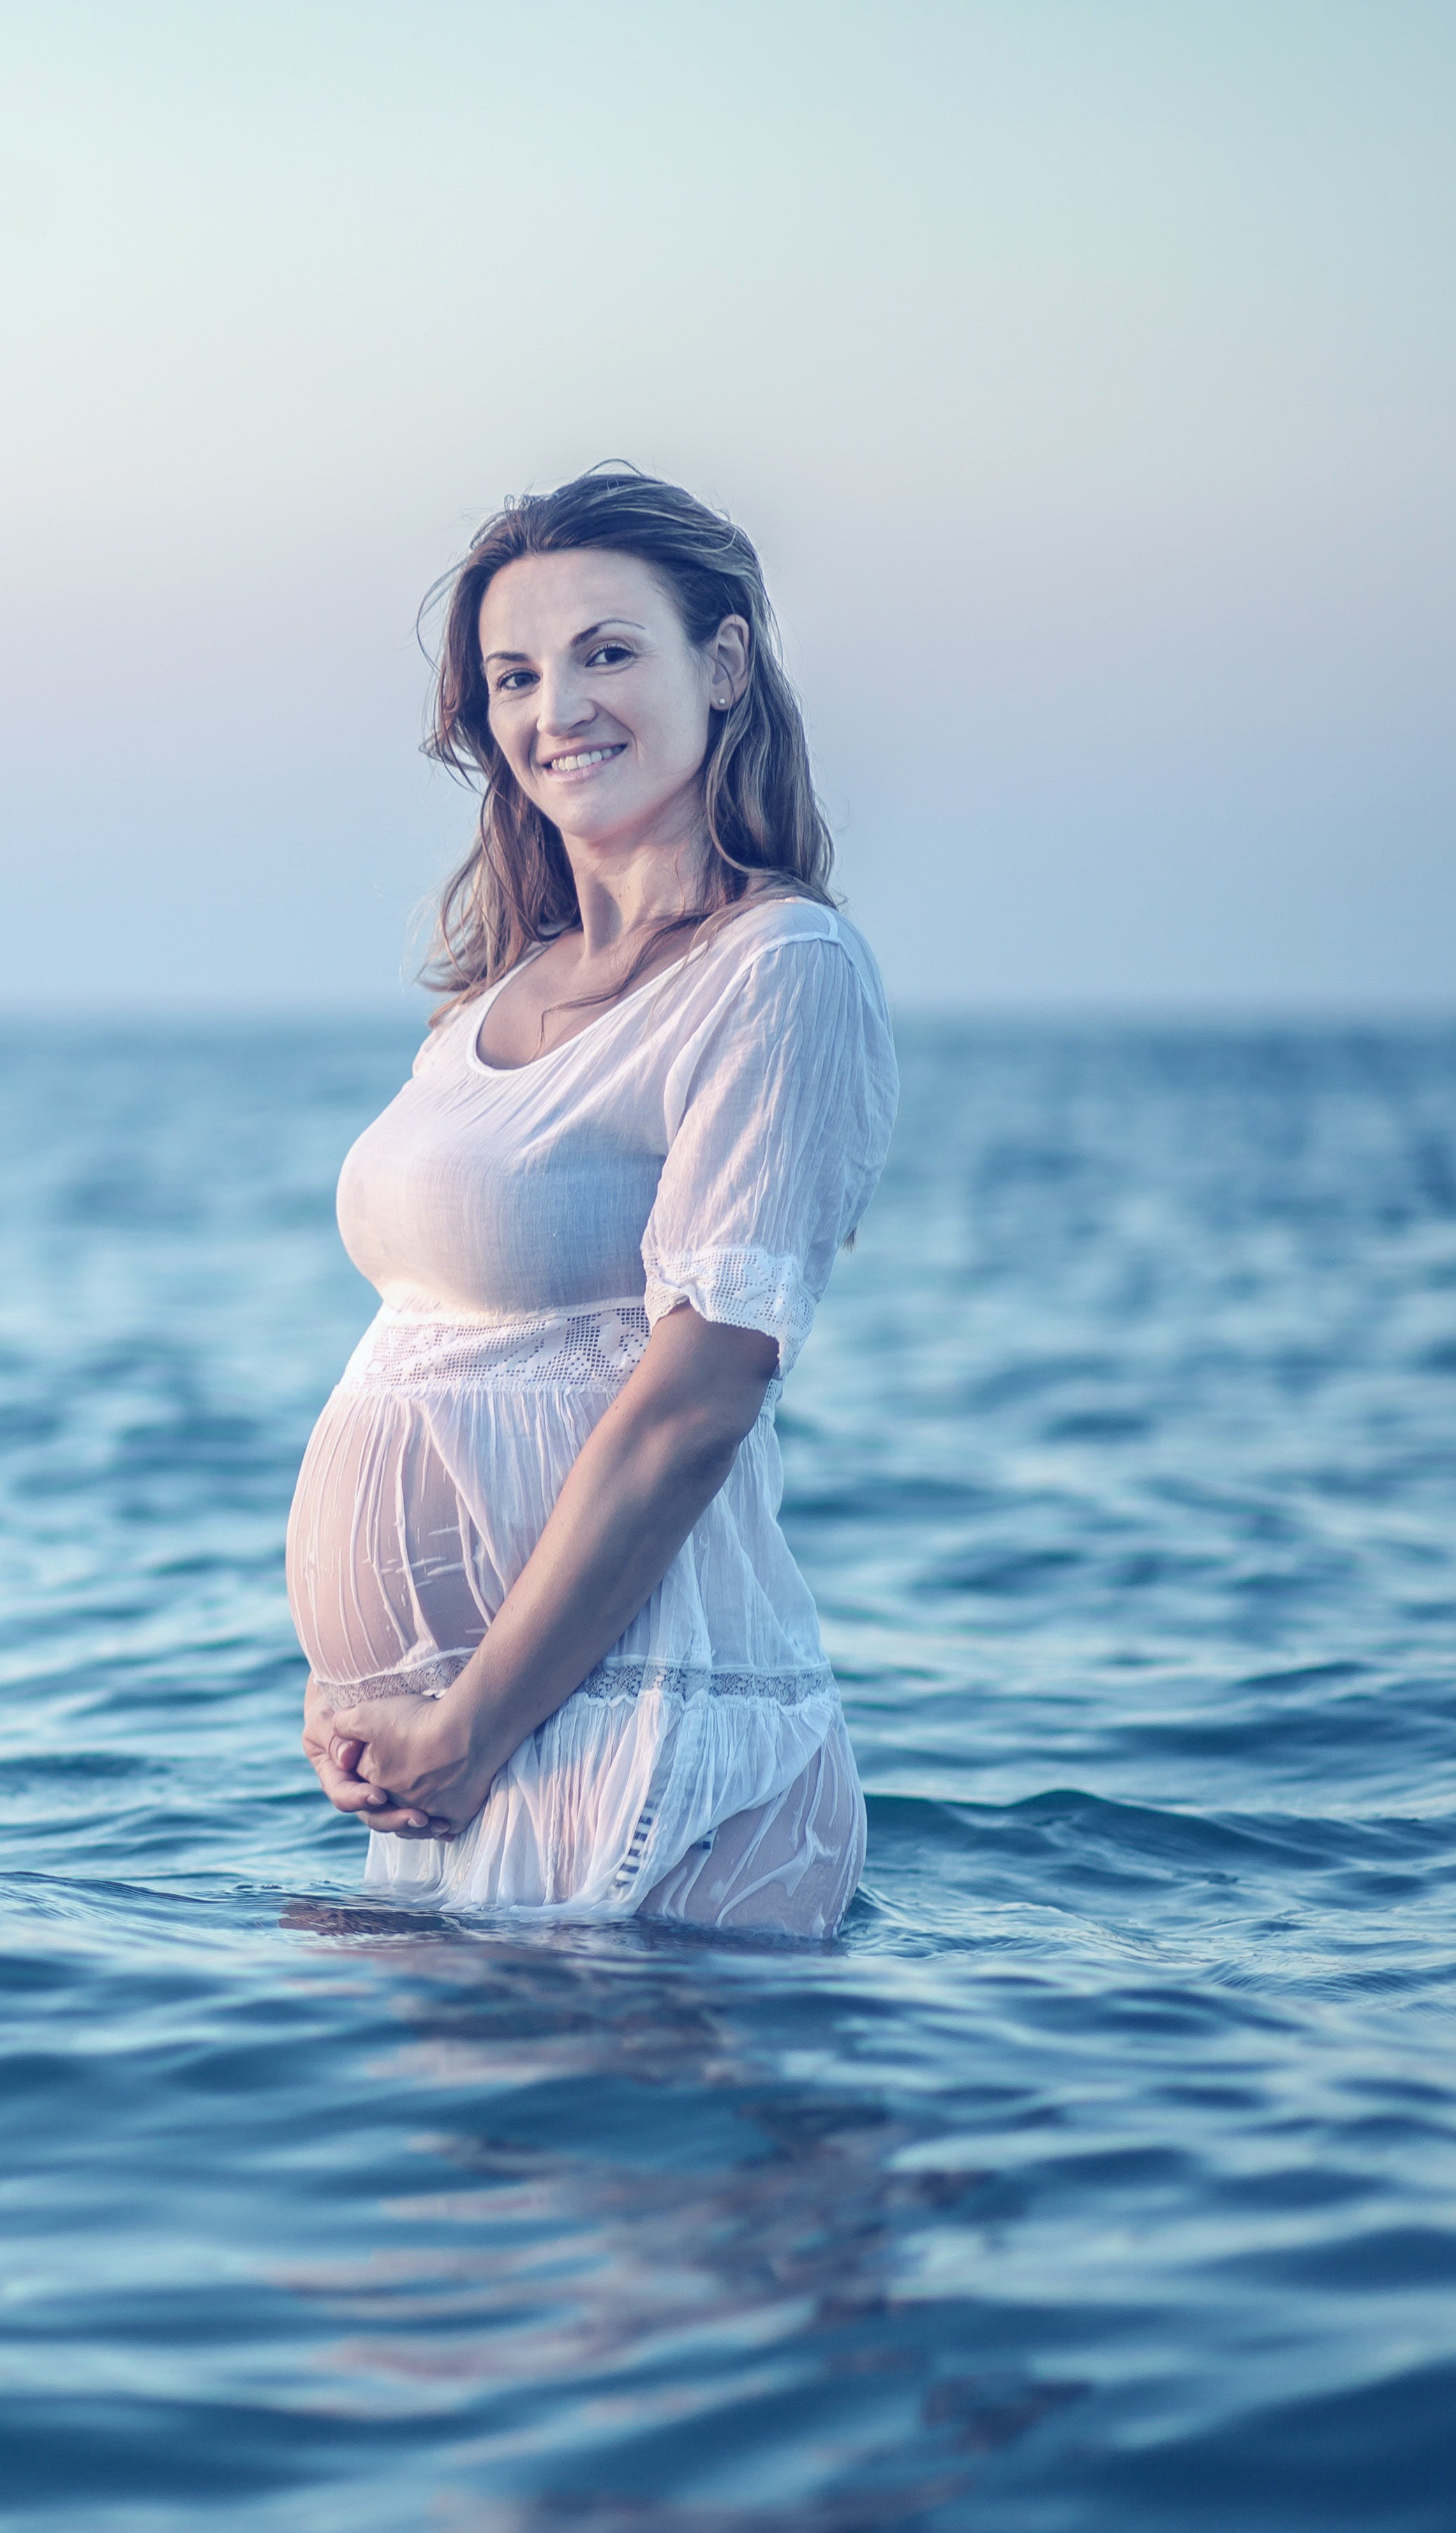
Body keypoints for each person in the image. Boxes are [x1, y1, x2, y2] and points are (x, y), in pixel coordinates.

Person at [292, 466, 896, 1937]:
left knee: (652, 2173)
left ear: (726, 666)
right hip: (467, 1758)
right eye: (514, 674)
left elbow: (698, 1398)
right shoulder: (486, 1002)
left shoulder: (777, 968)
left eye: (607, 651)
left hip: (654, 1749)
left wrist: (471, 1722)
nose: (556, 706)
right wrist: (363, 1692)